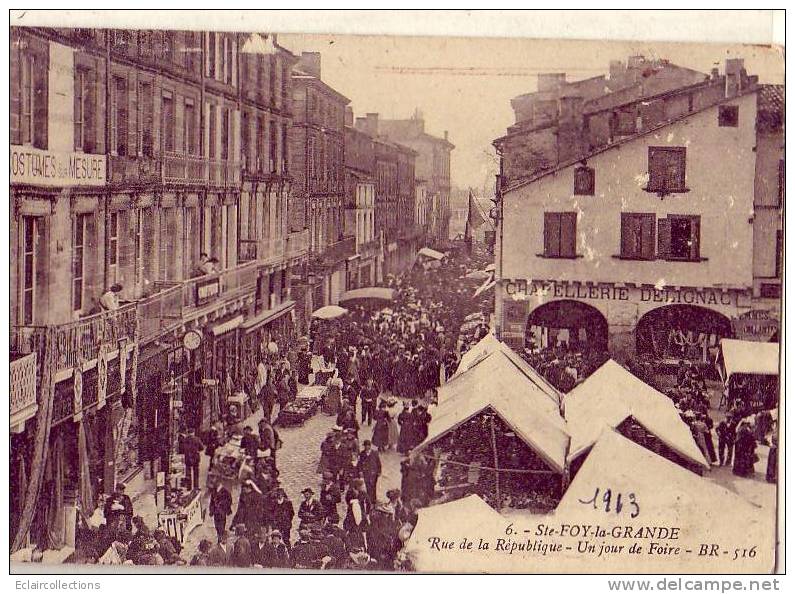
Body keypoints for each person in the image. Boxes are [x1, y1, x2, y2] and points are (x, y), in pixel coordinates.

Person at [357, 440, 382, 504]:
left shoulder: (375, 453)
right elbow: (359, 463)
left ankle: (373, 500)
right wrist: (360, 471)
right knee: (368, 486)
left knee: (373, 486)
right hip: (366, 473)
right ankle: (369, 500)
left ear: (370, 446)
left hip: (374, 473)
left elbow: (378, 463)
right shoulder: (362, 454)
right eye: (365, 446)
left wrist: (379, 471)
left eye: (368, 446)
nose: (366, 447)